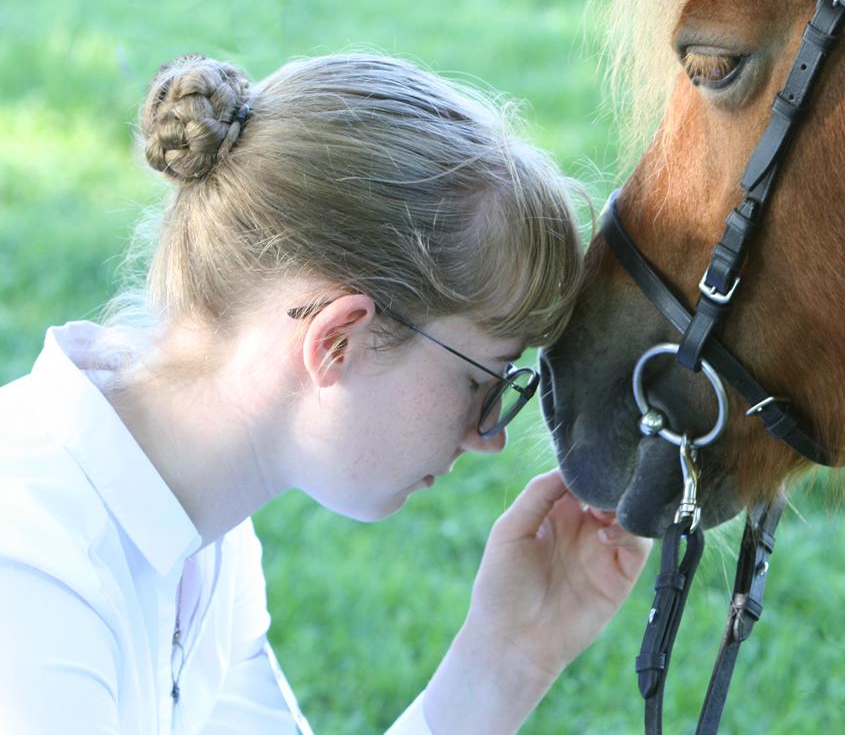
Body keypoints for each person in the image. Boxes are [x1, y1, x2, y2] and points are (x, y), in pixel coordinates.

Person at [0, 53, 651, 734]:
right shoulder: (29, 571)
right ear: (340, 339)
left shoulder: (202, 538)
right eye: (480, 382)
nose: (486, 437)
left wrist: (509, 656)